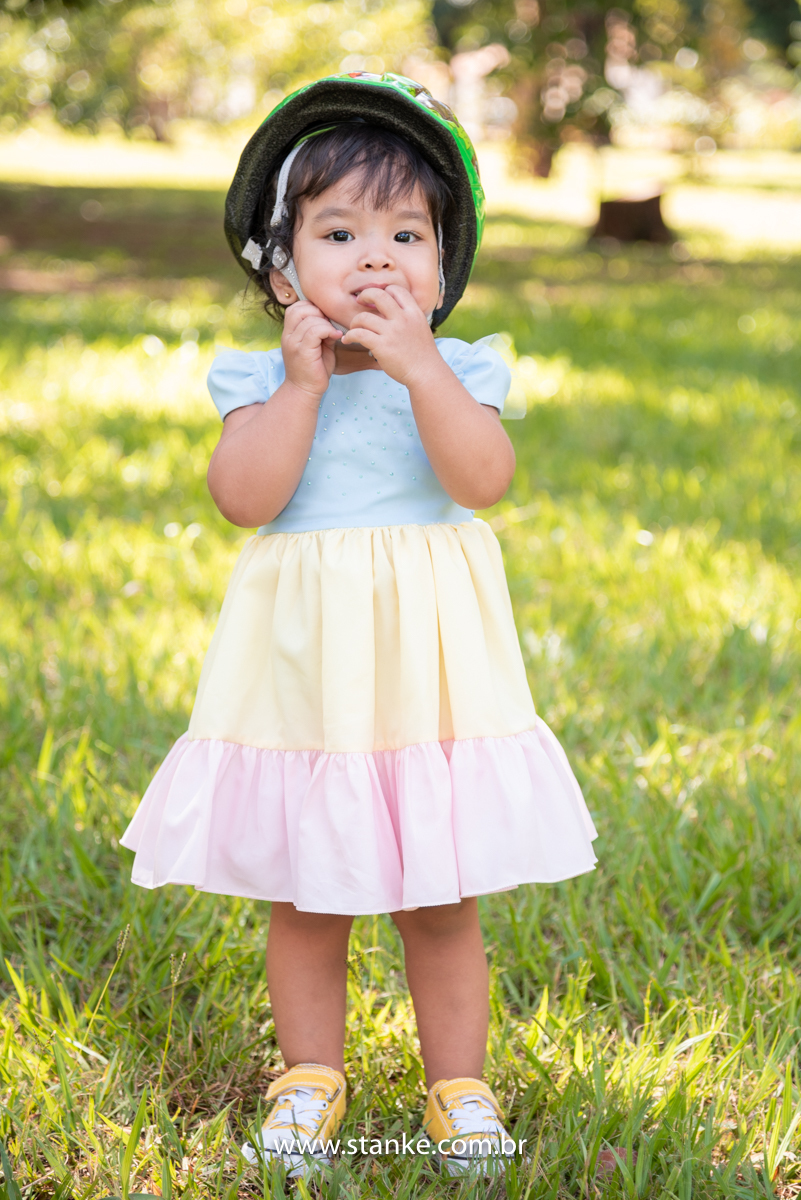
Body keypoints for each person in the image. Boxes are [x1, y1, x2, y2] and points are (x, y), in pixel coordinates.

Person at [121, 71, 598, 1179]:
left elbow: (484, 480)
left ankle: (458, 1087)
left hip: (427, 672)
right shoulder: (265, 378)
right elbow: (245, 497)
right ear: (283, 269)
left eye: (407, 233)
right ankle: (309, 1076)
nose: (377, 255)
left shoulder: (454, 371)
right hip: (307, 674)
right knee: (305, 888)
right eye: (339, 232)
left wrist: (423, 369)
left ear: (444, 268)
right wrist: (297, 391)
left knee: (441, 889)